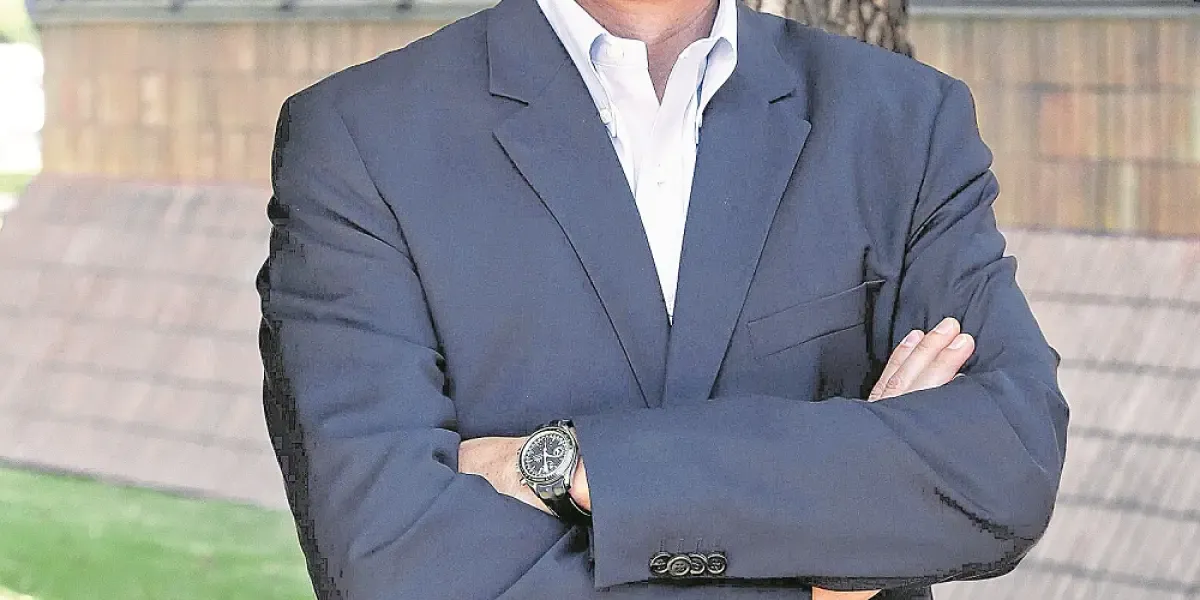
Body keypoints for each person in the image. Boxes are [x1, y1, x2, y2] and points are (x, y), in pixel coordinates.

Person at [256, 0, 1069, 597]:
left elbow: (1004, 468)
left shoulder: (903, 122)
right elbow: (390, 561)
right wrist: (828, 571)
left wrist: (580, 467)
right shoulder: (360, 141)